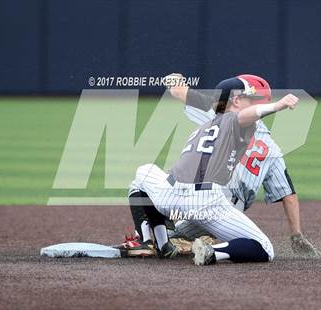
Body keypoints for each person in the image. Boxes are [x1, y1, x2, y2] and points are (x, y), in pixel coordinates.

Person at [127, 74, 298, 265]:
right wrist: (277, 106)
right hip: (206, 204)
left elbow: (180, 92)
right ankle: (212, 252)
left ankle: (156, 242)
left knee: (143, 172)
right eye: (249, 98)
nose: (253, 102)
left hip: (169, 194)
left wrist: (175, 83)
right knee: (264, 248)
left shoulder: (206, 122)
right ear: (235, 100)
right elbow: (249, 114)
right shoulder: (234, 121)